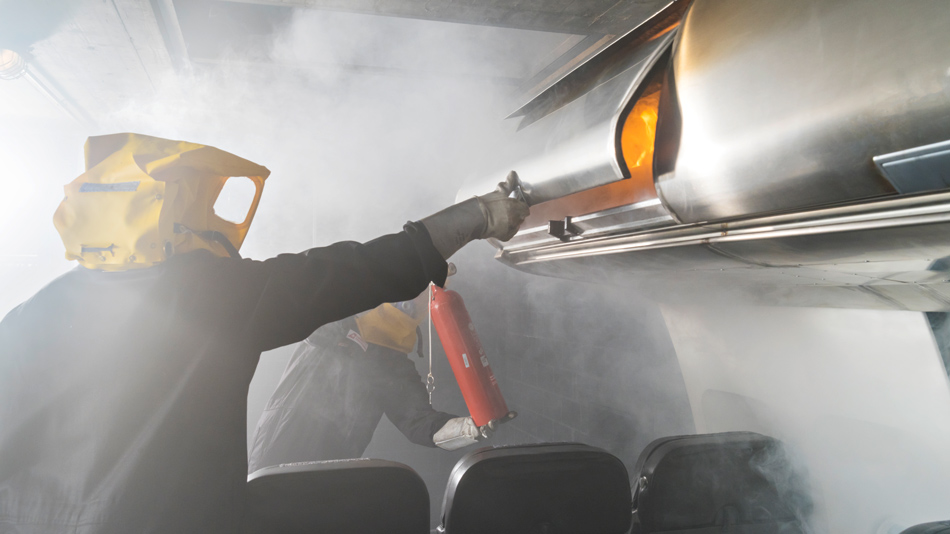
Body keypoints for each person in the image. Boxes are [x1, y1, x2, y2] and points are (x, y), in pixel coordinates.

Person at [0, 133, 528, 534]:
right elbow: (351, 273)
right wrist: (476, 217)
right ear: (164, 212)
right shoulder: (210, 296)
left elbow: (420, 420)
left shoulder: (28, 316)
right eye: (198, 204)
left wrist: (472, 427)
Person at [247, 292, 484, 473]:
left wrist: (468, 428)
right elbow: (309, 321)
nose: (409, 308)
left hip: (331, 467)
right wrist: (345, 328)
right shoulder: (334, 321)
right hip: (279, 449)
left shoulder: (392, 365)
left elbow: (419, 420)